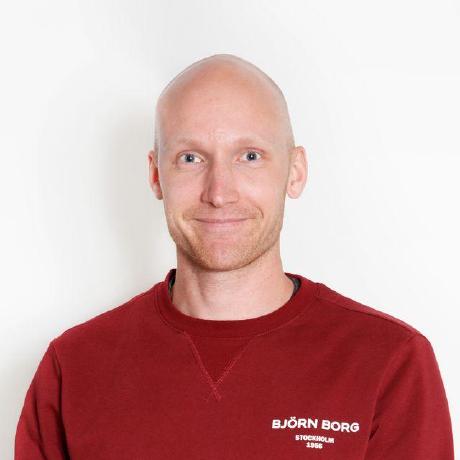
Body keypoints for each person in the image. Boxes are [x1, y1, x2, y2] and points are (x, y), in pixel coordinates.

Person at [15, 54, 454, 459]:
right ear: (156, 175)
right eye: (191, 158)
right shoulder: (73, 367)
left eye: (249, 156)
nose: (219, 192)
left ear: (295, 171)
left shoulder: (389, 361)